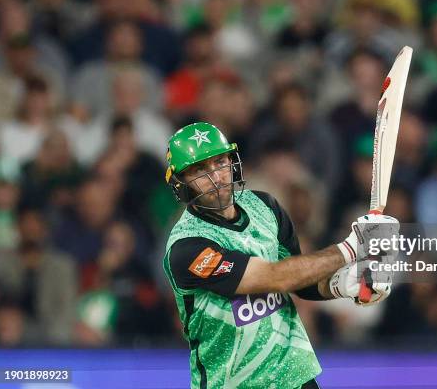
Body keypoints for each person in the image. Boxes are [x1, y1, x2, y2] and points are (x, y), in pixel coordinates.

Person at [162, 122, 398, 388]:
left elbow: (300, 278)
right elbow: (273, 277)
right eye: (200, 170)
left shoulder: (265, 205)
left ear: (232, 160)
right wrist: (352, 248)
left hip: (295, 375)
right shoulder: (187, 247)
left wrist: (342, 284)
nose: (216, 177)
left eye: (219, 162)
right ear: (181, 183)